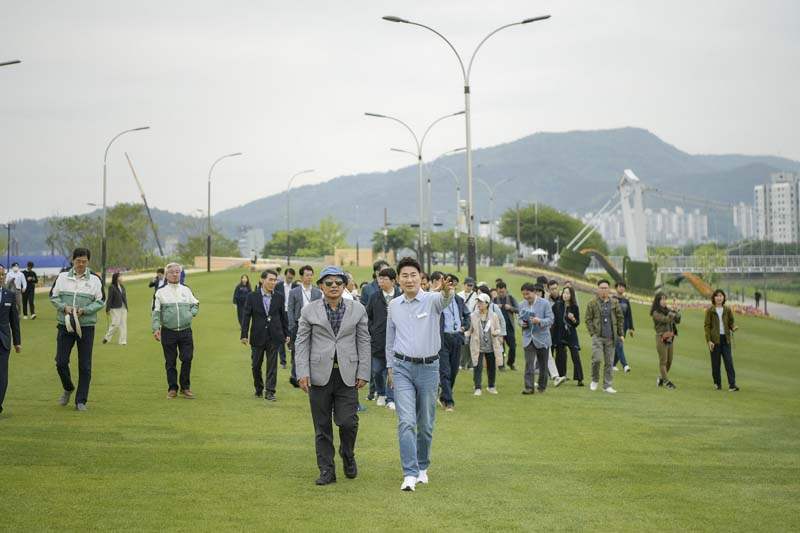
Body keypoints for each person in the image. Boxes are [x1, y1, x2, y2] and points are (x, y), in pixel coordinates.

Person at [295, 266, 370, 486]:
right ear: (321, 286)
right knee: (322, 426)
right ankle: (327, 470)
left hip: (348, 374)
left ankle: (348, 453)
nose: (334, 286)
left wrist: (363, 371)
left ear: (345, 285)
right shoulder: (309, 311)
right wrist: (303, 372)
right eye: (329, 283)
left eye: (338, 282)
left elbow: (364, 341)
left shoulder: (358, 309)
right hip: (318, 375)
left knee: (348, 422)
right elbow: (302, 343)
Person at [386, 257, 453, 492]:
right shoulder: (394, 305)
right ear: (398, 280)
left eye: (413, 274)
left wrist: (446, 291)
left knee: (425, 424)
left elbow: (446, 298)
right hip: (402, 367)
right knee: (406, 421)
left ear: (420, 277)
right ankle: (410, 473)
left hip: (428, 369)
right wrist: (390, 368)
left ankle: (423, 467)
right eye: (404, 275)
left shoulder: (432, 300)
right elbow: (389, 339)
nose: (409, 279)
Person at [50, 248, 105, 411]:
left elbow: (101, 301)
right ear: (73, 261)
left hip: (86, 327)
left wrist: (85, 310)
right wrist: (63, 307)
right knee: (60, 362)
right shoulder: (62, 277)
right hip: (65, 324)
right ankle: (68, 387)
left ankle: (81, 400)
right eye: (78, 261)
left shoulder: (95, 280)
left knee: (85, 365)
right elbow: (53, 296)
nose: (81, 264)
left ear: (88, 262)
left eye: (84, 261)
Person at [240, 269, 290, 401]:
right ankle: (258, 388)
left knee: (272, 365)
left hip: (275, 335)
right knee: (256, 365)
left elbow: (283, 315)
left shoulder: (279, 296)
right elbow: (246, 316)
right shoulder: (252, 296)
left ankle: (270, 392)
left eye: (275, 280)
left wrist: (287, 333)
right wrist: (244, 334)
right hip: (258, 335)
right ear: (263, 280)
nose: (273, 282)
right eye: (270, 280)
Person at [152, 263, 200, 399]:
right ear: (167, 275)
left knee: (187, 358)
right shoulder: (160, 292)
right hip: (168, 332)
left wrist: (191, 314)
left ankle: (185, 388)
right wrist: (156, 328)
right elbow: (155, 312)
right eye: (172, 272)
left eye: (177, 272)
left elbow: (196, 303)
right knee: (170, 361)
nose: (175, 274)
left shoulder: (186, 290)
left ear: (181, 274)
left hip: (185, 331)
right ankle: (172, 388)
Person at [366, 267, 401, 410]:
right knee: (377, 370)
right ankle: (380, 393)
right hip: (378, 341)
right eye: (380, 278)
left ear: (393, 281)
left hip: (396, 341)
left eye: (385, 279)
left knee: (392, 370)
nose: (381, 281)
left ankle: (390, 397)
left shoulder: (400, 296)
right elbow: (368, 317)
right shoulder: (374, 297)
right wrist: (372, 330)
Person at [434, 272, 470, 411]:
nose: (452, 287)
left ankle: (444, 395)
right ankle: (449, 401)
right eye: (450, 284)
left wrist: (465, 326)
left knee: (454, 370)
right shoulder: (439, 299)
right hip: (443, 338)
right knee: (445, 371)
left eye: (454, 284)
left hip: (457, 337)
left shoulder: (459, 300)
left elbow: (467, 315)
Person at [584, 279, 624, 394]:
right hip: (598, 336)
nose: (603, 290)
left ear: (609, 289)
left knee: (609, 362)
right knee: (596, 359)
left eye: (606, 288)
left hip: (611, 337)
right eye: (601, 288)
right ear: (598, 289)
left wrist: (620, 334)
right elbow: (588, 319)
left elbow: (620, 319)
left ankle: (607, 385)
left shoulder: (614, 303)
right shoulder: (592, 303)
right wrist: (593, 333)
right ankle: (594, 380)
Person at [287, 265, 323, 387]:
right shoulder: (294, 292)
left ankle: (312, 376)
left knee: (314, 349)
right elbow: (290, 309)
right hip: (298, 324)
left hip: (314, 325)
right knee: (296, 351)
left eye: (311, 275)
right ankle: (296, 376)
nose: (309, 277)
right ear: (301, 277)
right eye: (307, 275)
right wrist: (291, 326)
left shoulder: (318, 292)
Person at [519, 283, 554, 394]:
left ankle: (542, 386)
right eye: (524, 294)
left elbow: (550, 319)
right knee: (529, 363)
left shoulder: (545, 303)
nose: (526, 297)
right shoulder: (522, 304)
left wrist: (540, 321)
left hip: (542, 338)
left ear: (534, 292)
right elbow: (519, 319)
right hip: (528, 338)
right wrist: (521, 324)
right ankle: (529, 387)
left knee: (543, 364)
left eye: (527, 294)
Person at [467, 293, 503, 395]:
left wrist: (496, 333)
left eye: (481, 302)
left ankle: (491, 386)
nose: (479, 304)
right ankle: (477, 387)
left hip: (491, 345)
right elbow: (469, 329)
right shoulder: (473, 315)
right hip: (477, 345)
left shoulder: (493, 315)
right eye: (478, 302)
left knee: (491, 366)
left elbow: (497, 328)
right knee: (477, 366)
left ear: (487, 303)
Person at [704, 289, 739, 392]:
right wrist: (709, 341)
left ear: (723, 298)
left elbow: (730, 322)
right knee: (716, 364)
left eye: (721, 296)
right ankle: (717, 383)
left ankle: (732, 385)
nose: (719, 298)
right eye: (717, 296)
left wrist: (733, 327)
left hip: (726, 340)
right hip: (715, 340)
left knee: (729, 362)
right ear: (714, 298)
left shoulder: (727, 310)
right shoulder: (710, 311)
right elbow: (707, 326)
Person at [0, 265, 22, 416]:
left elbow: (14, 320)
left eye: (2, 274)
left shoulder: (9, 295)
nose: (1, 277)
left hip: (3, 341)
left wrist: (17, 341)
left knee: (2, 376)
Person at [553, 286, 584, 386]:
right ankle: (560, 376)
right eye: (564, 293)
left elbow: (577, 323)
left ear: (571, 295)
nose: (565, 295)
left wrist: (573, 319)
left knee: (575, 355)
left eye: (568, 293)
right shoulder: (557, 305)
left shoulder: (574, 307)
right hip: (560, 334)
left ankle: (579, 379)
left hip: (571, 335)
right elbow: (553, 320)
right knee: (560, 356)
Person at [650, 292, 680, 389]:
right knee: (663, 361)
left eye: (665, 299)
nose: (664, 301)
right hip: (661, 338)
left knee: (669, 361)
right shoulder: (655, 312)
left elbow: (678, 320)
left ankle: (661, 378)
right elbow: (665, 320)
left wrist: (677, 311)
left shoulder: (668, 310)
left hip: (670, 338)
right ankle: (667, 382)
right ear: (657, 301)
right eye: (662, 299)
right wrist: (673, 312)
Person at [494, 281, 519, 370]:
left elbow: (518, 309)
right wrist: (496, 307)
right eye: (499, 292)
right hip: (498, 327)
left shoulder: (511, 298)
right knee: (501, 348)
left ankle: (510, 363)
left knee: (513, 347)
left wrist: (510, 308)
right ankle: (501, 365)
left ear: (505, 290)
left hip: (509, 327)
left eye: (503, 292)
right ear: (496, 291)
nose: (501, 293)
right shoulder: (494, 300)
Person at [275, 267, 296, 369]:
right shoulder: (278, 286)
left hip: (292, 314)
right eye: (288, 277)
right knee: (281, 337)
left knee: (292, 336)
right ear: (285, 276)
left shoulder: (296, 287)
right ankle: (283, 361)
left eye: (291, 278)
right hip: (281, 313)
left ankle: (293, 360)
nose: (289, 280)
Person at [613, 281, 634, 372]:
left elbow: (629, 315)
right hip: (614, 326)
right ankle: (625, 365)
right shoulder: (612, 299)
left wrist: (631, 328)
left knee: (619, 345)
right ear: (616, 288)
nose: (621, 288)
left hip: (623, 327)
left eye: (623, 287)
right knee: (620, 344)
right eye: (620, 286)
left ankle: (612, 365)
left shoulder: (626, 301)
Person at [457, 277, 478, 370]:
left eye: (471, 285)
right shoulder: (459, 295)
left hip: (473, 321)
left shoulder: (475, 296)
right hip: (462, 321)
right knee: (463, 343)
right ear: (464, 285)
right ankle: (461, 363)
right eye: (468, 285)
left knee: (471, 343)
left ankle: (470, 364)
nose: (469, 287)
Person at [103, 272, 128, 345]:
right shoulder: (112, 287)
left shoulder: (122, 287)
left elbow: (124, 298)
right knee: (116, 324)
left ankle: (123, 341)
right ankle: (107, 338)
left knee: (123, 324)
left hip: (123, 308)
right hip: (115, 308)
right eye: (120, 277)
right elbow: (109, 298)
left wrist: (126, 307)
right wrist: (107, 309)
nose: (121, 278)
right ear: (116, 278)